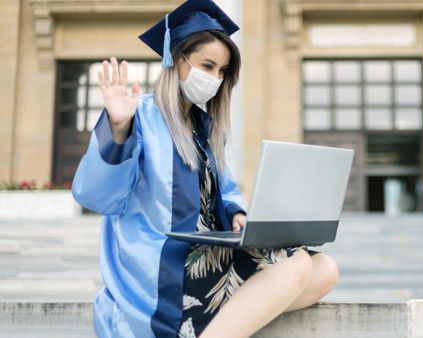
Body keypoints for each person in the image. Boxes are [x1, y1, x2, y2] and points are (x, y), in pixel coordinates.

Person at [71, 1, 339, 337]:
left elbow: (224, 190)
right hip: (162, 264)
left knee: (325, 268)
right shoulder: (137, 116)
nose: (214, 78)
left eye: (222, 71)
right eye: (207, 65)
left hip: (210, 250)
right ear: (177, 59)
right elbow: (96, 196)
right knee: (297, 265)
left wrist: (238, 214)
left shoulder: (205, 128)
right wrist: (119, 127)